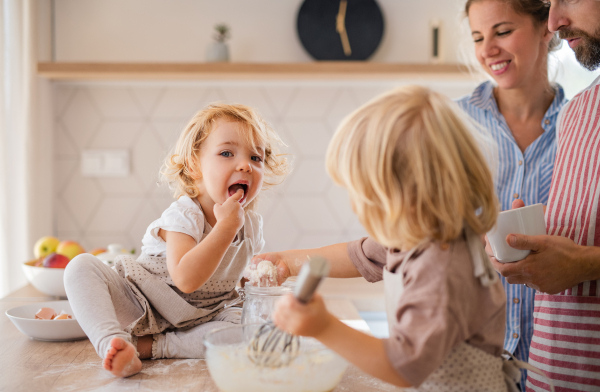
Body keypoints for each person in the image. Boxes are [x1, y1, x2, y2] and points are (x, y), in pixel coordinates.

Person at [256, 85, 523, 390]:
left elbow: (403, 366)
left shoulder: (442, 268)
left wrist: (324, 326)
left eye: (362, 193)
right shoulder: (418, 236)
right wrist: (288, 262)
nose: (355, 204)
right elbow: (356, 256)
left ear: (406, 196)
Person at [63, 103, 289, 377]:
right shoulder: (185, 215)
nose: (245, 165)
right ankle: (113, 340)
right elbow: (185, 278)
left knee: (254, 334)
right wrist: (225, 229)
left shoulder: (251, 226)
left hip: (205, 316)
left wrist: (259, 287)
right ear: (195, 166)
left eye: (256, 158)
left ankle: (153, 346)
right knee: (81, 267)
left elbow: (237, 279)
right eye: (227, 153)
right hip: (142, 304)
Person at [489, 0, 600, 390]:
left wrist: (586, 264)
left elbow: (585, 258)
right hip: (550, 378)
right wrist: (530, 244)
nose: (554, 21)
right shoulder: (580, 111)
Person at [456, 0, 568, 386]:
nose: (487, 50)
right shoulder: (453, 125)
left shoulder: (582, 127)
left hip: (556, 359)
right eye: (477, 37)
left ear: (546, 27)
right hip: (471, 356)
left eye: (502, 32)